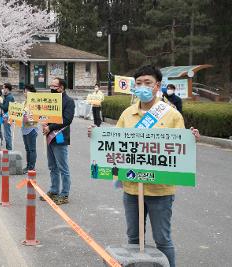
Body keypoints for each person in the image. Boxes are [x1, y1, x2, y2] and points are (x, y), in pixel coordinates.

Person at [88, 65, 200, 267]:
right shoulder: (127, 114)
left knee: (163, 241)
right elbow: (116, 144)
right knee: (134, 240)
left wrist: (191, 139)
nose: (142, 87)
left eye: (147, 83)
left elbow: (179, 150)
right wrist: (96, 137)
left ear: (158, 86)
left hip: (160, 190)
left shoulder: (172, 115)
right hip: (131, 187)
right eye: (138, 83)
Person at [40, 77, 75, 205]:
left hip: (60, 136)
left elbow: (67, 120)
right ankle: (54, 190)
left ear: (61, 88)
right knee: (52, 166)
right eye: (51, 86)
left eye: (54, 86)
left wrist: (51, 127)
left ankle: (64, 194)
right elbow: (45, 114)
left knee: (63, 167)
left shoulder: (69, 101)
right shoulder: (50, 100)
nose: (52, 88)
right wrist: (44, 123)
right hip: (49, 135)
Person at [21, 84, 38, 174]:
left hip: (32, 128)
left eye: (26, 91)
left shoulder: (34, 102)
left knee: (32, 149)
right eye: (24, 91)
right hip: (24, 128)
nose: (24, 93)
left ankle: (32, 167)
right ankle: (28, 166)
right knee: (27, 149)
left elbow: (36, 116)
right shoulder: (24, 102)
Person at [0, 83, 15, 150]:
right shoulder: (7, 96)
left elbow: (5, 108)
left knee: (7, 133)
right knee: (6, 133)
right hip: (5, 116)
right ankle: (8, 148)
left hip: (7, 117)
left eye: (3, 88)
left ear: (7, 89)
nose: (3, 90)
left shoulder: (9, 97)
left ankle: (9, 149)